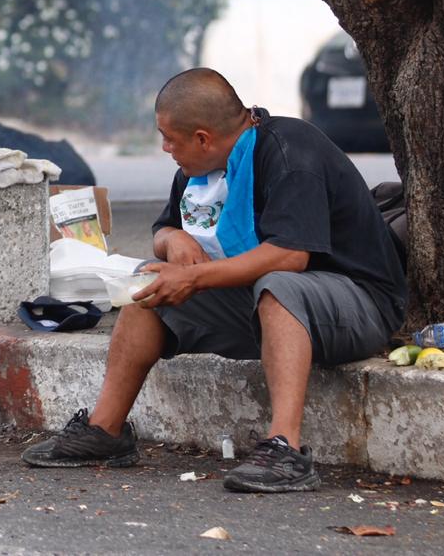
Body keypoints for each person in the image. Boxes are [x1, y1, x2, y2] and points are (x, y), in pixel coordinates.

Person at [21, 68, 406, 493]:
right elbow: (163, 229)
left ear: (203, 138)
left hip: (357, 304)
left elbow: (290, 255)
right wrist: (175, 240)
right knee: (149, 286)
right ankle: (104, 431)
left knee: (278, 285)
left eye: (170, 139)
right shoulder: (198, 170)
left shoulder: (290, 151)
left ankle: (286, 449)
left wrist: (195, 276)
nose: (165, 149)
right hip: (263, 304)